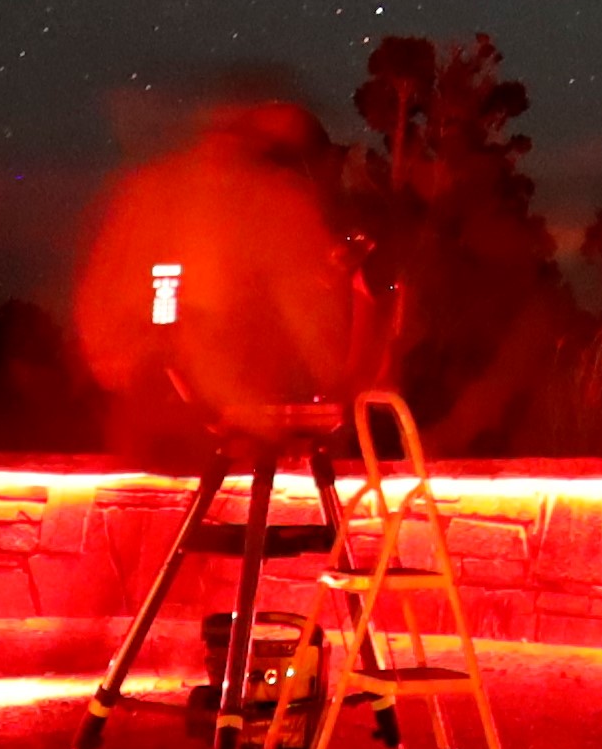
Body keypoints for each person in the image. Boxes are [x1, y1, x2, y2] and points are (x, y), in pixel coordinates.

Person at [73, 79, 376, 484]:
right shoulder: (269, 202)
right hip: (213, 431)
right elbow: (319, 340)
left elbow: (107, 317)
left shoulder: (155, 186)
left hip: (151, 423)